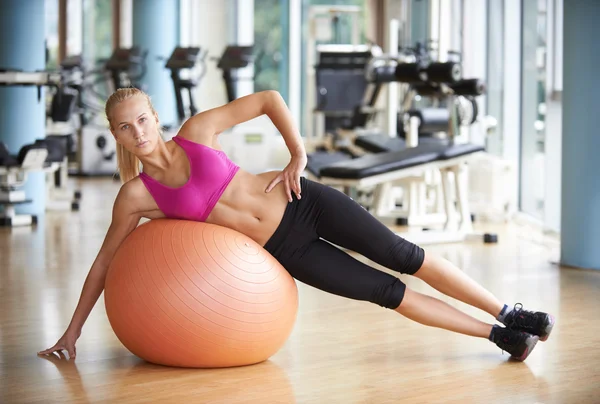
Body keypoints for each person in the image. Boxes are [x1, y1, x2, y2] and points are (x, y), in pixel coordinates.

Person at [38, 87, 554, 362]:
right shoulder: (136, 195)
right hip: (290, 253)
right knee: (388, 293)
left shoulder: (198, 131)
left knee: (405, 255)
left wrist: (297, 154)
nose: (139, 131)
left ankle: (513, 311)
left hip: (305, 202)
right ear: (116, 135)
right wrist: (72, 331)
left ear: (154, 114)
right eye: (126, 128)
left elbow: (267, 100)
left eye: (143, 119)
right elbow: (106, 262)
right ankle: (500, 336)